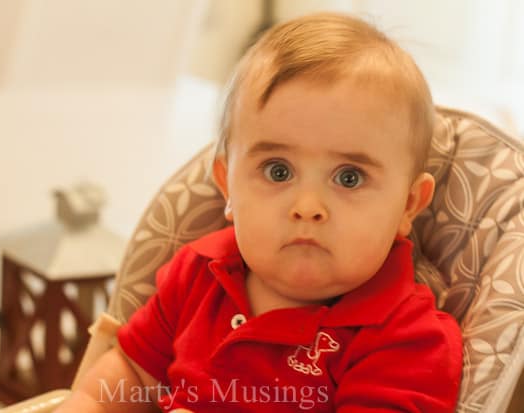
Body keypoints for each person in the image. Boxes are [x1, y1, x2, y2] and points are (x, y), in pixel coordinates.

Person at [56, 12, 462, 412]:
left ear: (408, 204)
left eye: (350, 178)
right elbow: (129, 375)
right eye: (278, 171)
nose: (307, 207)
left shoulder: (406, 339)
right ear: (228, 187)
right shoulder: (198, 275)